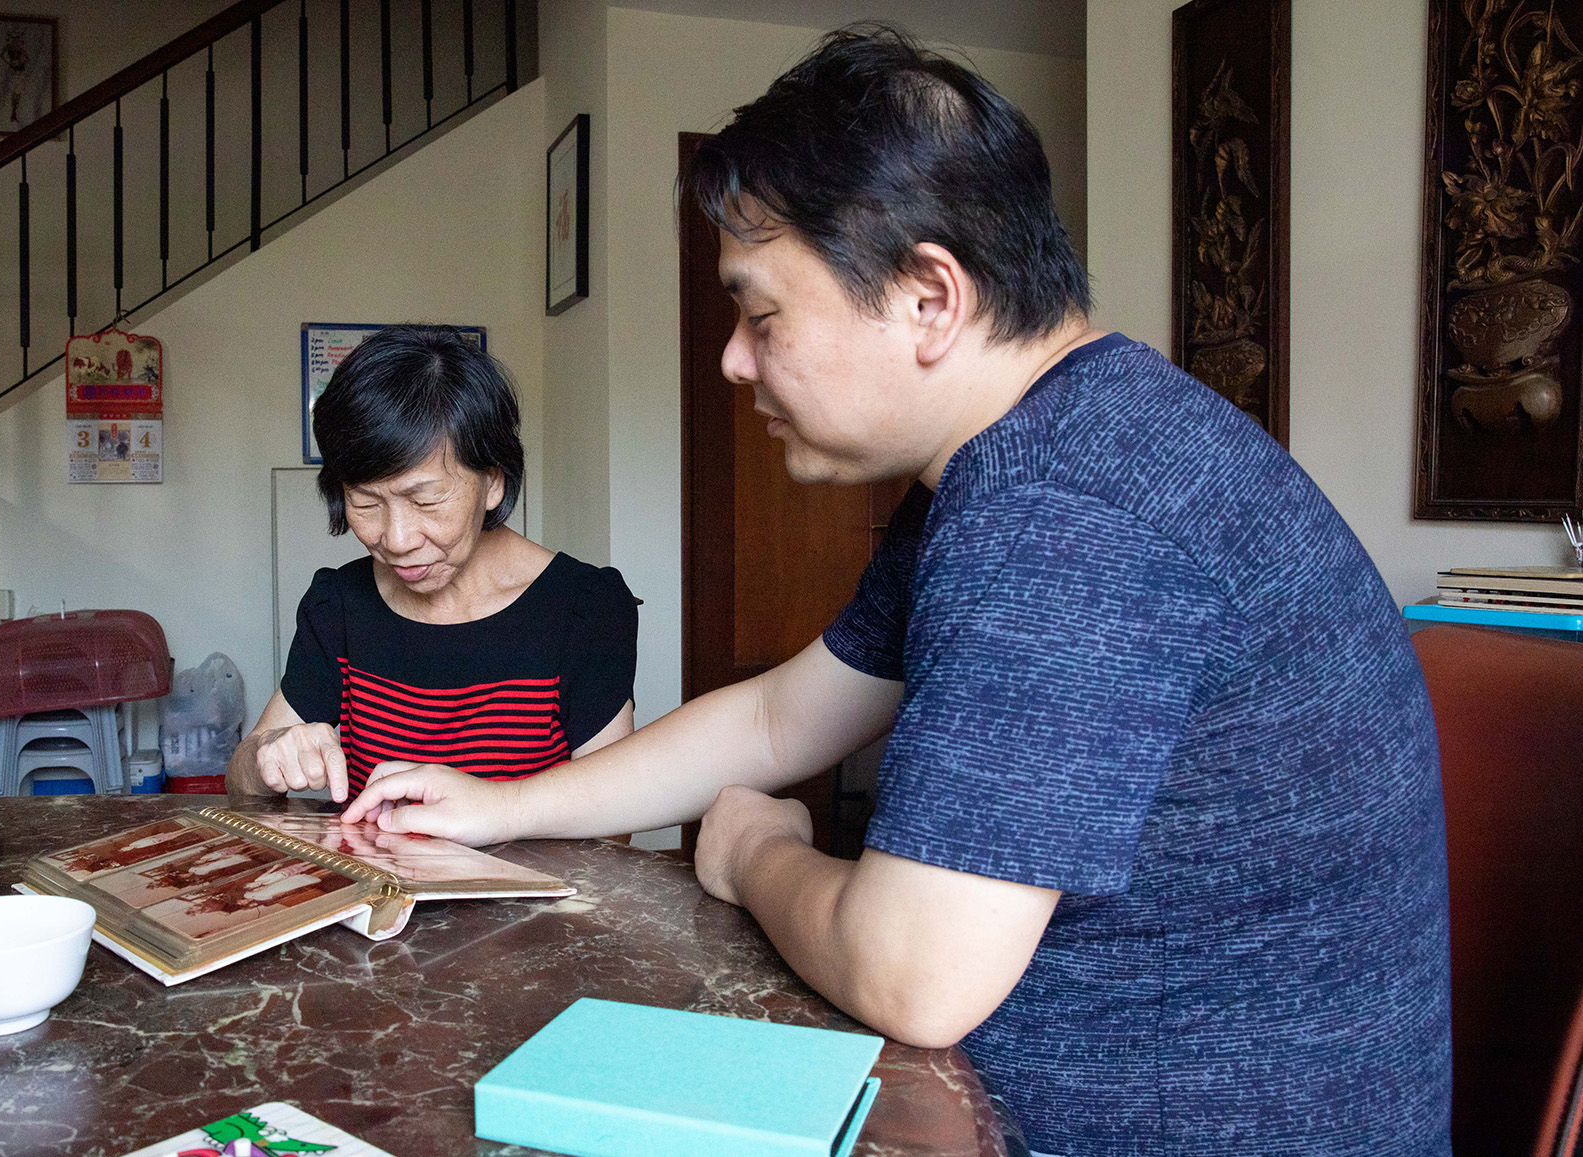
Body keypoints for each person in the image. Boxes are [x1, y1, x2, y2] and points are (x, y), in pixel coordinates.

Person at [340, 28, 1450, 1156]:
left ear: (928, 297)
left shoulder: (1063, 510)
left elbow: (916, 974)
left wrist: (751, 856)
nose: (733, 359)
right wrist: (504, 801)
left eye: (760, 315)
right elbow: (786, 712)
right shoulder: (1028, 455)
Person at [227, 326, 638, 802]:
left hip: (525, 879)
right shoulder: (337, 604)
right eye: (364, 502)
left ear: (493, 482)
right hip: (374, 877)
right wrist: (268, 756)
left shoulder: (583, 609)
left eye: (425, 501)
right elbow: (241, 782)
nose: (397, 540)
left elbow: (613, 817)